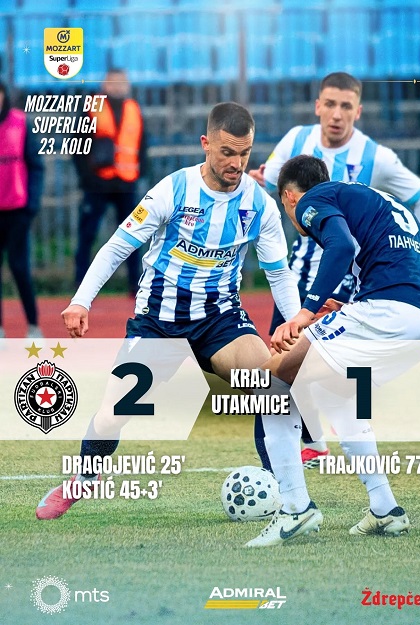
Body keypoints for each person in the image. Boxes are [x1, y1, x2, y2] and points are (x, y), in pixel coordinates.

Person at [36, 102, 301, 520]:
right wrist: (81, 300)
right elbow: (118, 246)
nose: (236, 164)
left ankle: (286, 492)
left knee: (271, 388)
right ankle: (85, 478)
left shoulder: (259, 206)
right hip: (158, 323)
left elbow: (279, 274)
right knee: (113, 415)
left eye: (244, 153)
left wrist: (297, 323)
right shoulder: (172, 191)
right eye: (226, 152)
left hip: (219, 320)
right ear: (205, 144)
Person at [245, 155, 420, 547]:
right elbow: (388, 257)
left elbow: (339, 246)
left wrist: (304, 313)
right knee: (337, 393)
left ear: (289, 197)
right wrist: (349, 305)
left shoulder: (312, 199)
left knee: (269, 382)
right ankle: (385, 508)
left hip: (390, 310)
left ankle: (295, 508)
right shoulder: (368, 197)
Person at [249, 72, 420, 467]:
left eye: (346, 106)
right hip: (299, 275)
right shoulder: (295, 141)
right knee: (287, 366)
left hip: (351, 280)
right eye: (331, 104)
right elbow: (270, 186)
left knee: (321, 375)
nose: (337, 114)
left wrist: (406, 260)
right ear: (318, 106)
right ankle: (314, 444)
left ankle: (324, 454)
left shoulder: (376, 156)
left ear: (358, 111)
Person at [73, 68, 147, 296]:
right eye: (113, 83)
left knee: (133, 236)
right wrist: (88, 178)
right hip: (98, 184)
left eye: (121, 83)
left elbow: (143, 145)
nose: (117, 87)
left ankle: (136, 285)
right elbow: (78, 145)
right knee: (87, 235)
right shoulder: (91, 108)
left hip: (126, 183)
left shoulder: (134, 109)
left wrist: (140, 174)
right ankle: (81, 286)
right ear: (104, 85)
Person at [0, 81, 44, 339]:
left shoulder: (20, 123)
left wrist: (32, 204)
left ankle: (33, 326)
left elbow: (36, 165)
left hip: (17, 209)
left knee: (19, 268)